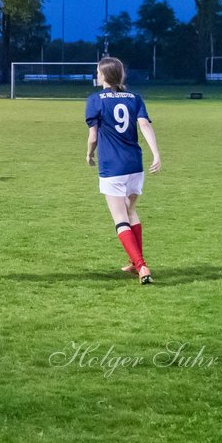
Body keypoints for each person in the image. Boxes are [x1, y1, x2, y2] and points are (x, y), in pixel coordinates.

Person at [85, 56, 162, 285]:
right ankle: (134, 261)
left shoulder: (95, 100)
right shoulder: (134, 98)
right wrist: (156, 153)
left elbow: (93, 136)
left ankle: (141, 266)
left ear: (105, 76)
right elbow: (145, 125)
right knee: (131, 213)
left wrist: (89, 154)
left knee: (120, 218)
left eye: (98, 72)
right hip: (135, 165)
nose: (97, 76)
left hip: (112, 167)